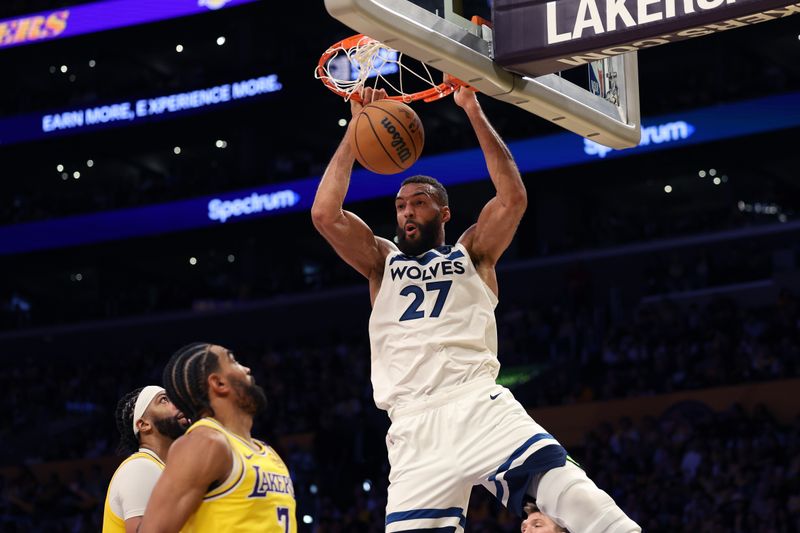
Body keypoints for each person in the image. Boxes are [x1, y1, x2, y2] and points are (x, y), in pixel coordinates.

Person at [311, 85, 641, 532]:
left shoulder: (473, 252)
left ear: (444, 214)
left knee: (576, 498)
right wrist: (355, 132)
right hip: (412, 425)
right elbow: (325, 214)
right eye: (401, 205)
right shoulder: (380, 262)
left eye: (419, 204)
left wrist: (471, 107)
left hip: (476, 403)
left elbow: (512, 199)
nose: (407, 212)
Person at [140, 343, 296, 533]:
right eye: (234, 361)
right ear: (218, 383)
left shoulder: (267, 452)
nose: (247, 369)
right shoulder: (204, 442)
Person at [102, 385, 188, 533]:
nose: (177, 402)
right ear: (143, 425)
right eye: (164, 400)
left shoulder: (161, 470)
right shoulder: (140, 467)